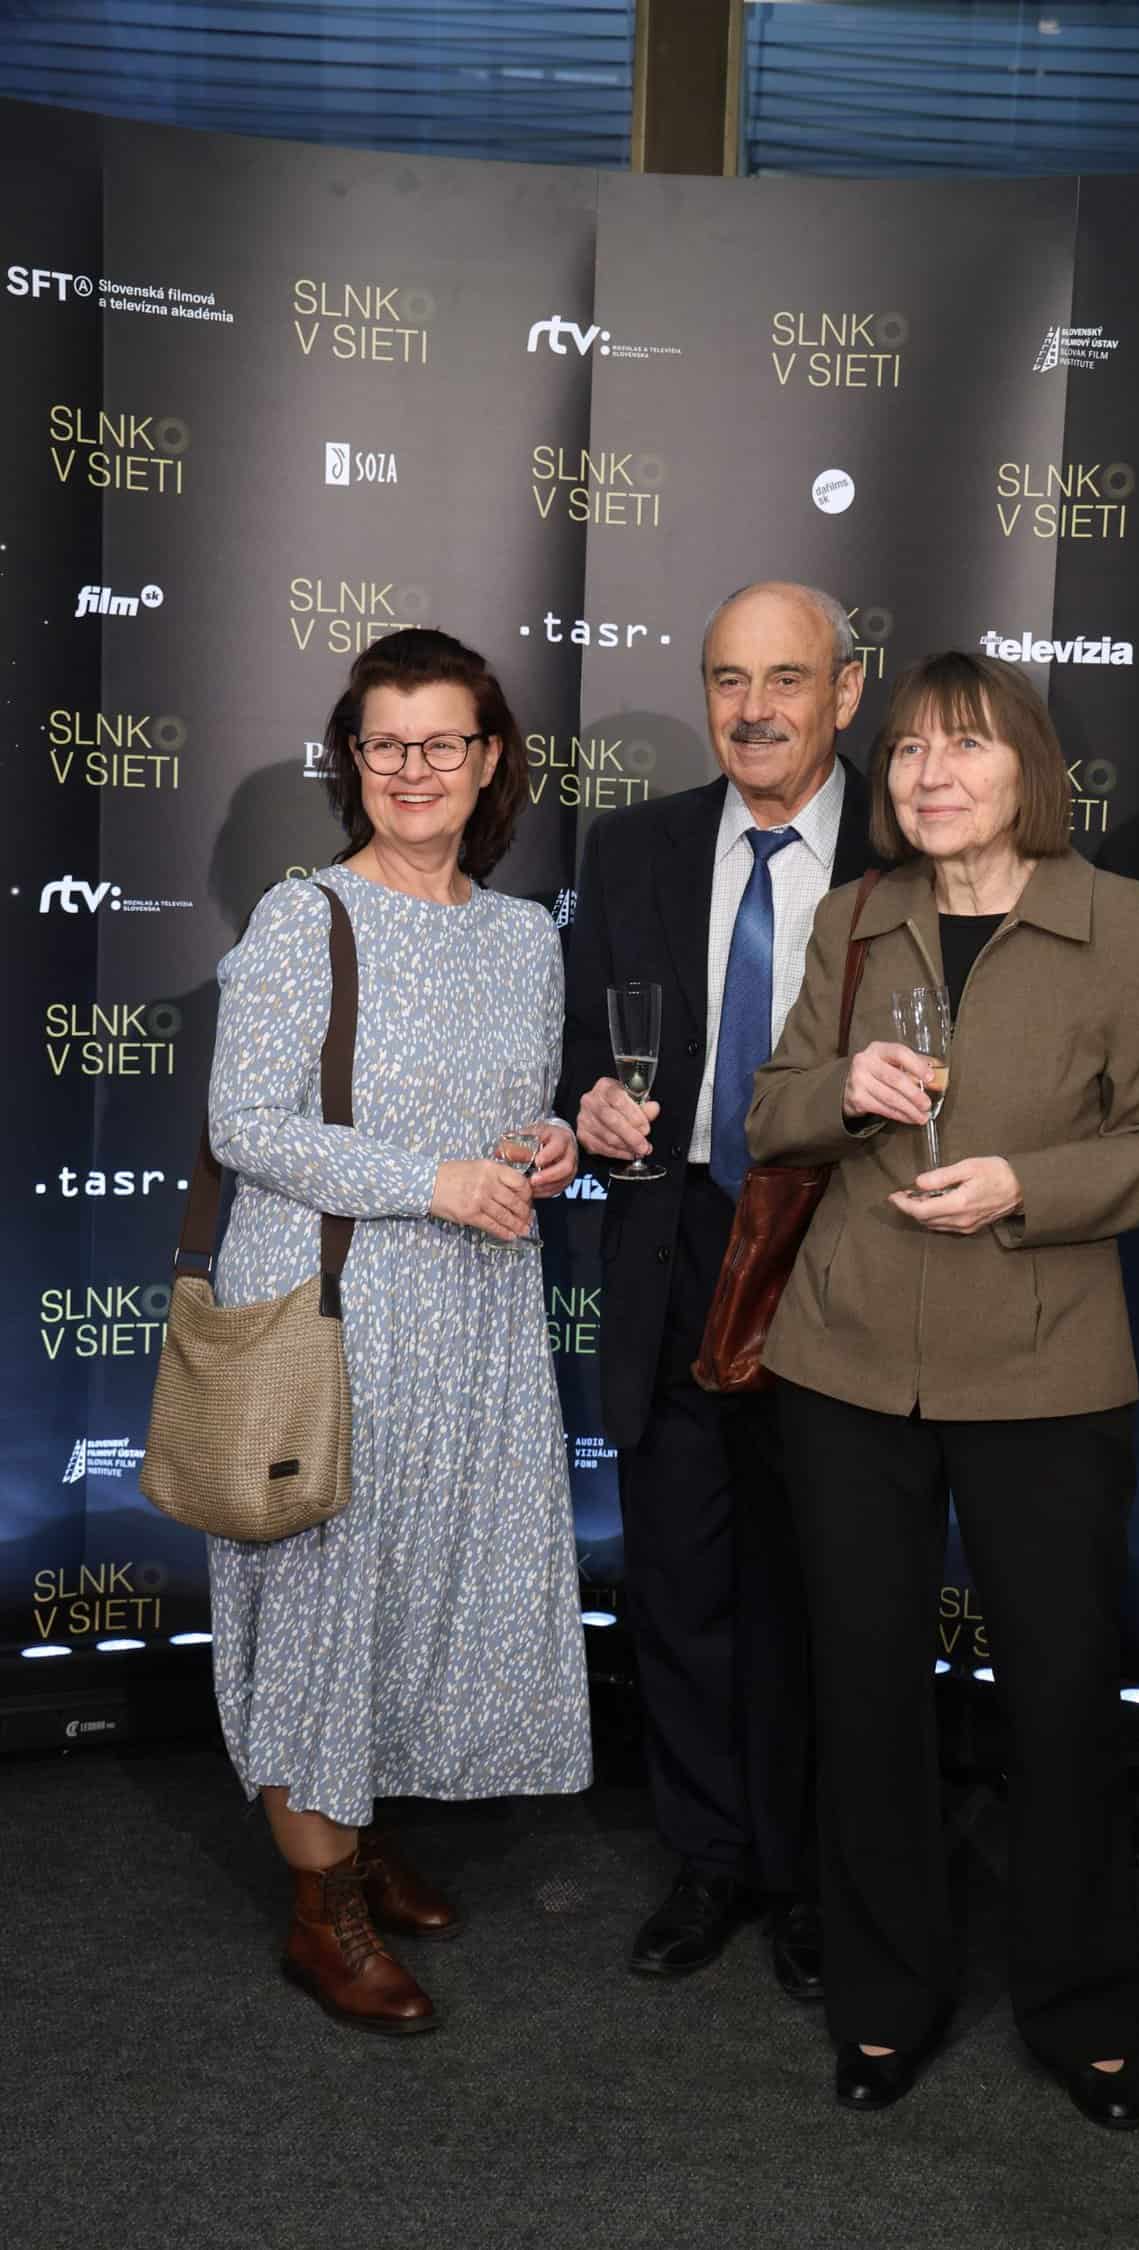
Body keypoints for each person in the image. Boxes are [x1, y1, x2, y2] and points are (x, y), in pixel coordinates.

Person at [745, 649, 1139, 2123]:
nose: (929, 775)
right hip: (844, 1361)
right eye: (906, 752)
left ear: (1029, 768)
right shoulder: (854, 915)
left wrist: (1028, 1183)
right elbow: (769, 1111)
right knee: (865, 1690)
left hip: (1044, 1367)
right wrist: (843, 1091)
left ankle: (1084, 2009)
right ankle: (885, 2001)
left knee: (1065, 1698)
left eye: (964, 747)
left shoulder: (1128, 924)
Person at [206, 627, 591, 2035]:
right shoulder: (304, 918)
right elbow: (245, 1125)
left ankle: (355, 1841)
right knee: (322, 1599)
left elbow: (513, 1112)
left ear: (489, 762)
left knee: (416, 1587)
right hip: (334, 1314)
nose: (414, 769)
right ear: (351, 758)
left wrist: (547, 1146)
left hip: (472, 1315)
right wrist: (434, 1179)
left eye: (443, 743)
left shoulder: (523, 935)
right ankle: (324, 1913)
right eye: (386, 743)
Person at [561, 582, 871, 1995]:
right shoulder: (633, 848)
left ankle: (811, 1873)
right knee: (681, 1578)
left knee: (822, 1585)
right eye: (728, 680)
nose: (754, 711)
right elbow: (580, 1045)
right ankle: (709, 1856)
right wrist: (590, 1102)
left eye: (786, 679)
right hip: (678, 1244)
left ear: (845, 694)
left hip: (842, 1250)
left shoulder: (912, 850)